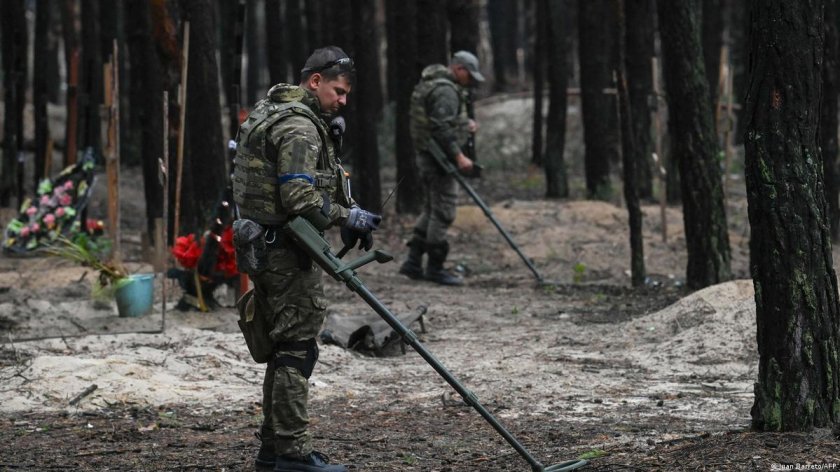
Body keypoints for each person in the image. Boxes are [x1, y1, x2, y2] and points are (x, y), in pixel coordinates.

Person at [233, 46, 381, 472]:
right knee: (297, 350)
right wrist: (345, 214)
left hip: (264, 243)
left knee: (284, 348)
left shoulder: (274, 108)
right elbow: (298, 197)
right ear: (314, 82)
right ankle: (293, 454)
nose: (343, 101)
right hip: (284, 251)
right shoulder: (300, 126)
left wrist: (340, 206)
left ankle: (272, 449)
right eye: (338, 91)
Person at [399, 50, 484, 286]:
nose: (471, 80)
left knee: (431, 209)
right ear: (459, 69)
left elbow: (441, 121)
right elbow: (441, 129)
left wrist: (465, 124)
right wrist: (459, 157)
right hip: (438, 161)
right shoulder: (446, 90)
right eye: (470, 74)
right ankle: (434, 268)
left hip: (429, 158)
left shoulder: (435, 85)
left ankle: (413, 262)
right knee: (444, 212)